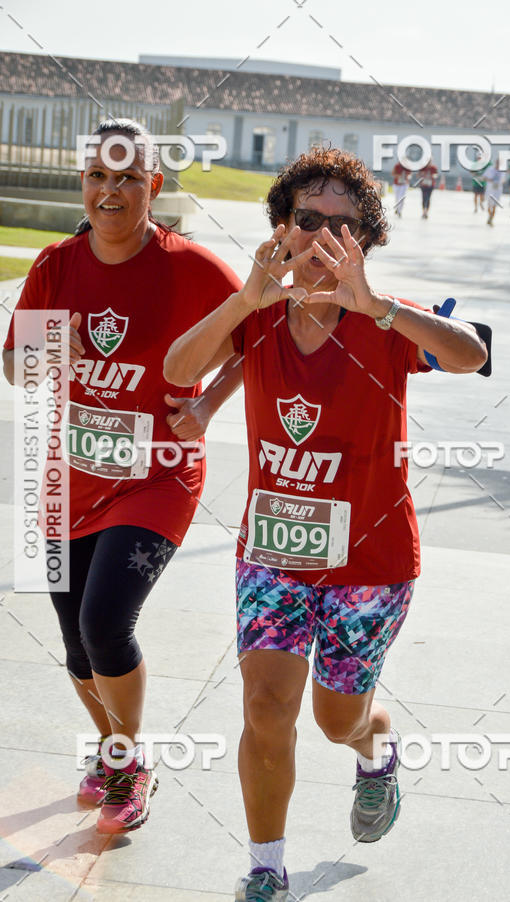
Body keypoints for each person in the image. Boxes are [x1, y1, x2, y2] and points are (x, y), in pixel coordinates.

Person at [164, 147, 488, 900]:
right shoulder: (262, 310)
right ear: (281, 227)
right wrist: (245, 303)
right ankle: (265, 867)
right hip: (273, 554)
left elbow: (472, 352)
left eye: (343, 226)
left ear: (366, 242)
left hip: (371, 565)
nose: (322, 238)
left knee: (335, 718)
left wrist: (378, 305)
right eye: (307, 219)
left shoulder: (386, 320)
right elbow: (184, 367)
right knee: (265, 705)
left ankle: (375, 749)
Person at [2, 119, 242, 834]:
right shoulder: (54, 265)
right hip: (68, 478)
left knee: (106, 621)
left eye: (128, 177)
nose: (110, 190)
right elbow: (14, 365)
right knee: (75, 641)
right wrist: (48, 352)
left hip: (158, 477)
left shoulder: (193, 268)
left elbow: (259, 342)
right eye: (98, 177)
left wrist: (208, 403)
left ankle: (129, 760)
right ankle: (114, 755)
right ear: (83, 182)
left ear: (154, 186)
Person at [484, 157, 505, 226]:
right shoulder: (490, 169)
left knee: (495, 206)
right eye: (497, 163)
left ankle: (491, 219)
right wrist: (490, 180)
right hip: (490, 190)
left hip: (498, 191)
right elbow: (484, 177)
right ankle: (489, 217)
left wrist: (500, 182)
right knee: (489, 206)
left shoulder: (502, 171)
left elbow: (504, 180)